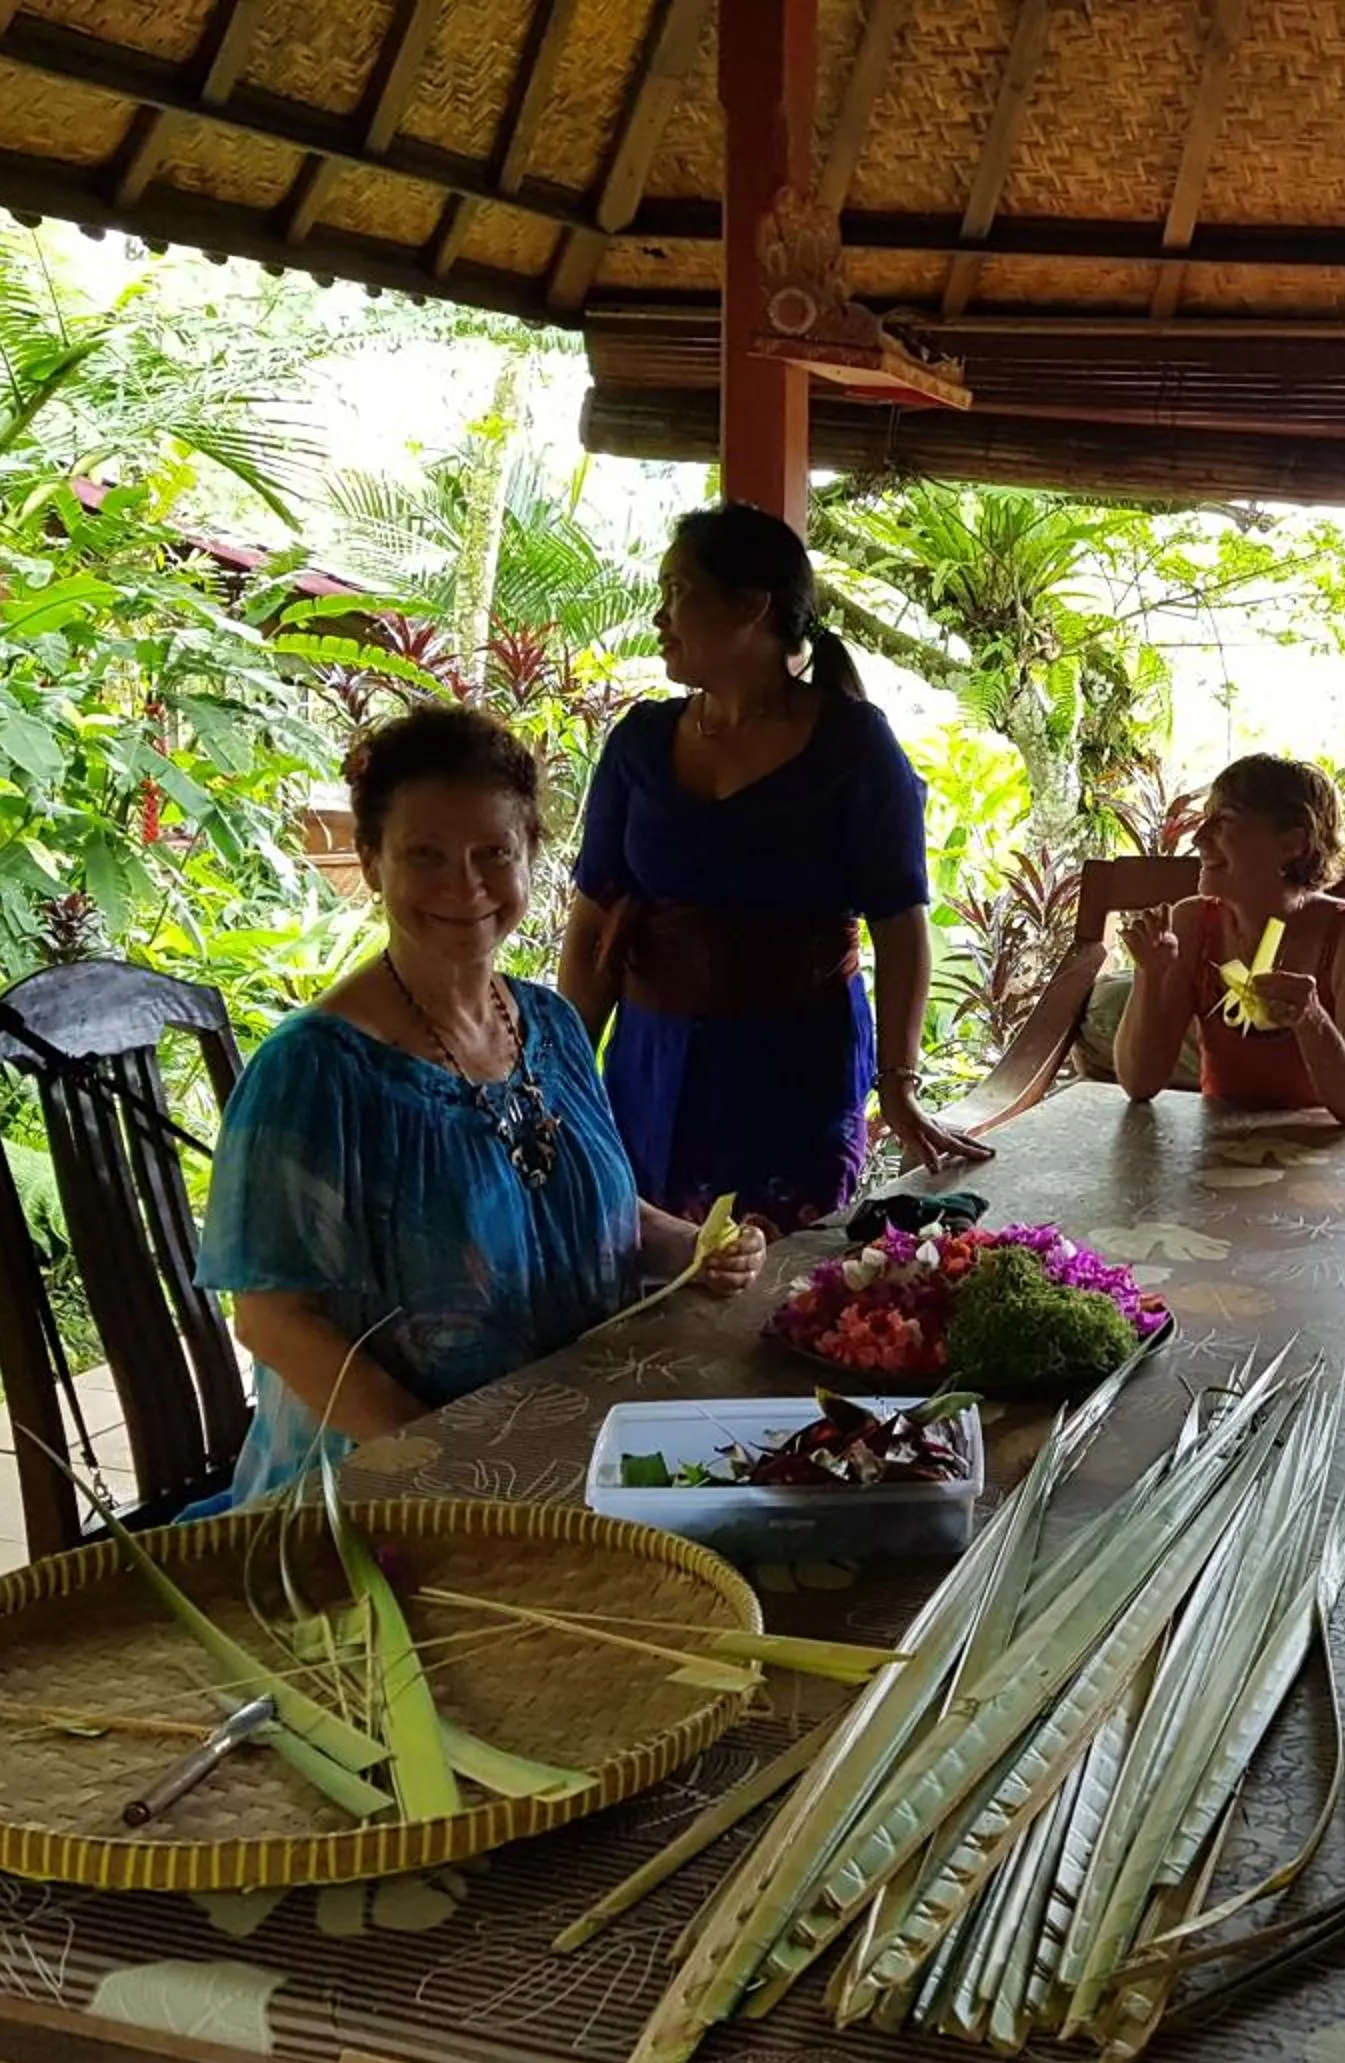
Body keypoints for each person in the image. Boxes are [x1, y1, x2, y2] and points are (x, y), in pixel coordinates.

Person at [201, 708, 766, 1507]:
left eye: (493, 853)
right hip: (380, 1498)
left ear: (530, 855)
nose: (464, 886)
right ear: (369, 861)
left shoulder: (552, 1025)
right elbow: (272, 1321)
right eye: (424, 855)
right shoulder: (315, 1071)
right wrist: (450, 1462)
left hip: (573, 1455)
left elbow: (589, 1209)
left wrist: (694, 1247)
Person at [557, 502, 987, 1235]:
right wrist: (564, 1070)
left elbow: (900, 923)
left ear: (753, 605)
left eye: (678, 591)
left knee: (778, 1272)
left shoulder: (852, 745)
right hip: (653, 1059)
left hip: (794, 1062)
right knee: (648, 1257)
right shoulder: (640, 741)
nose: (660, 616)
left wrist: (900, 1084)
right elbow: (596, 915)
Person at [1113, 755, 1345, 1127]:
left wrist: (1310, 1018)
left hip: (1337, 1153)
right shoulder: (1193, 925)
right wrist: (1150, 975)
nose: (1198, 838)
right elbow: (1139, 1083)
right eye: (1205, 820)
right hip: (1228, 1153)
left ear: (1293, 843)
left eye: (1225, 821)